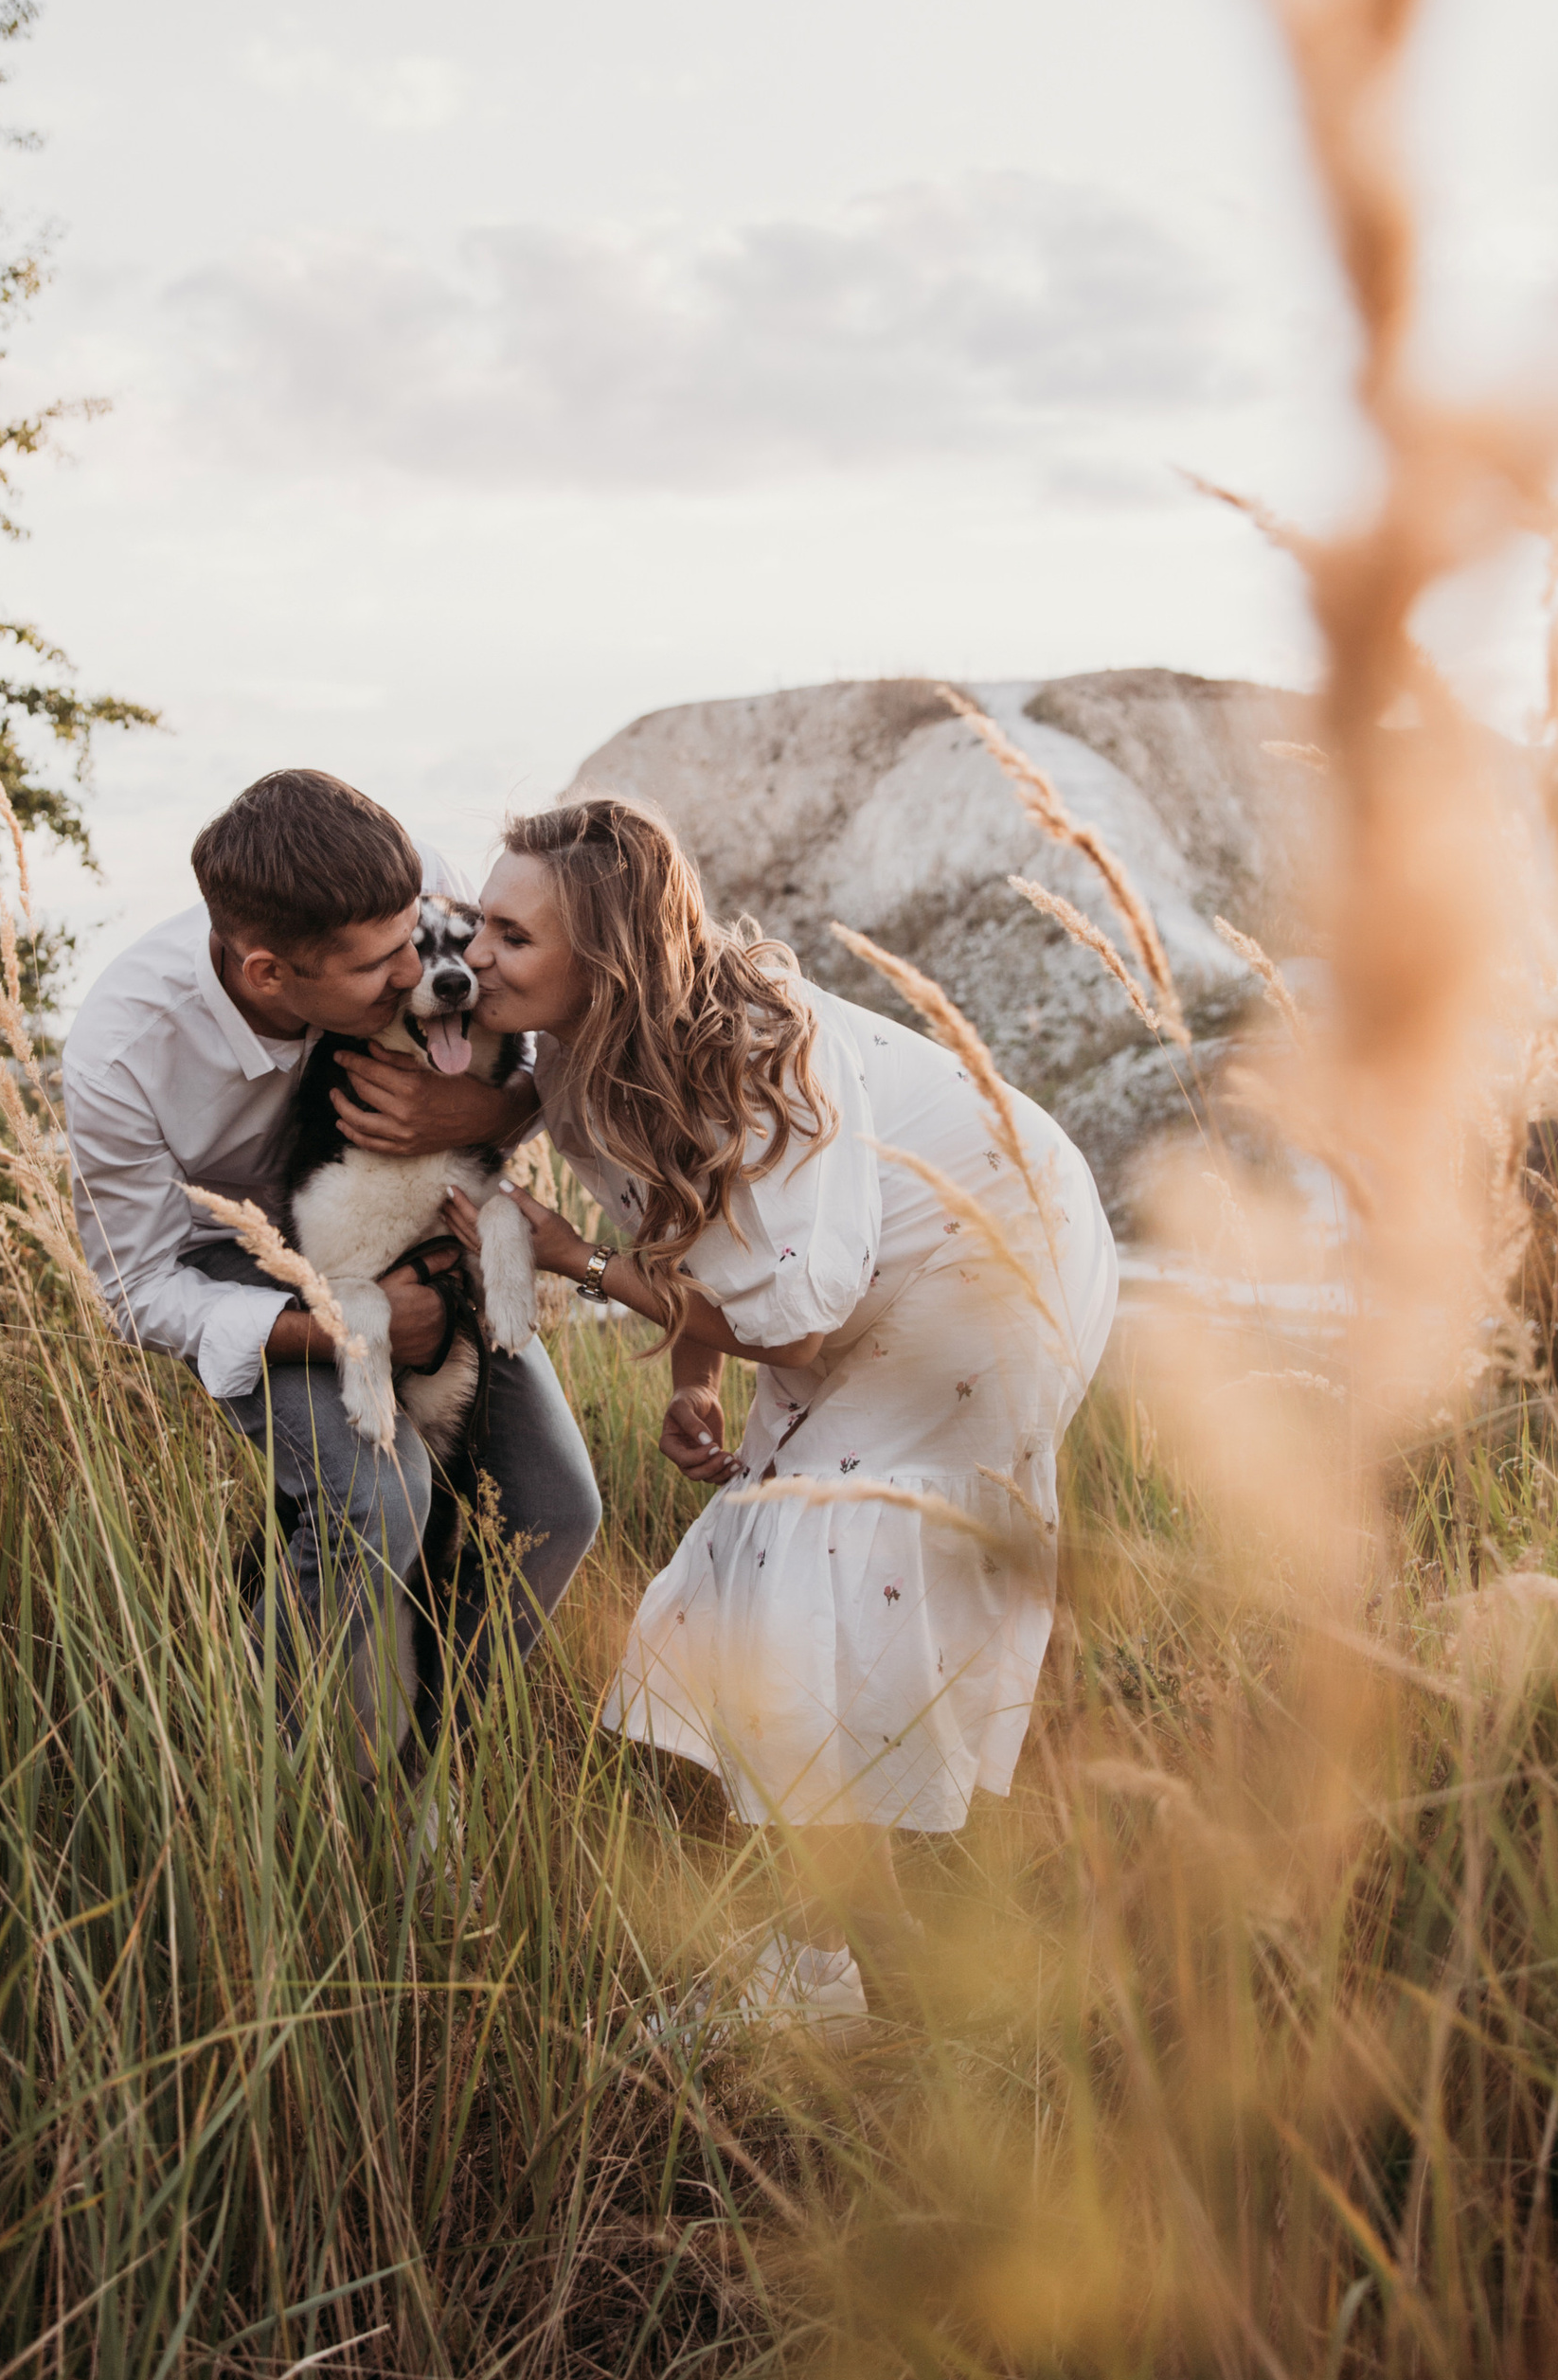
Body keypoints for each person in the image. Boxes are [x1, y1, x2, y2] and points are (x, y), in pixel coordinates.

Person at [449, 795, 1117, 2029]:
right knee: (796, 1568)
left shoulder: (759, 1042)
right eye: (479, 921)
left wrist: (567, 1259)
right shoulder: (575, 1060)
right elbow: (693, 1231)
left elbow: (797, 1321)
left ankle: (835, 1978)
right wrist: (695, 1382)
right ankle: (866, 1954)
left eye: (510, 935)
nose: (475, 953)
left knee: (819, 1564)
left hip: (992, 1252)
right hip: (865, 1278)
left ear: (603, 961)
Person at [63, 769, 601, 1774]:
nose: (418, 974)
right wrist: (346, 1329)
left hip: (409, 1220)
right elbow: (138, 1294)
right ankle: (242, 1785)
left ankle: (426, 1786)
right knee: (377, 1496)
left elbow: (552, 1037)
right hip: (239, 1268)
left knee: (555, 1505)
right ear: (268, 975)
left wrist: (496, 1112)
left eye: (416, 939)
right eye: (377, 967)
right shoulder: (123, 1056)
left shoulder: (412, 897)